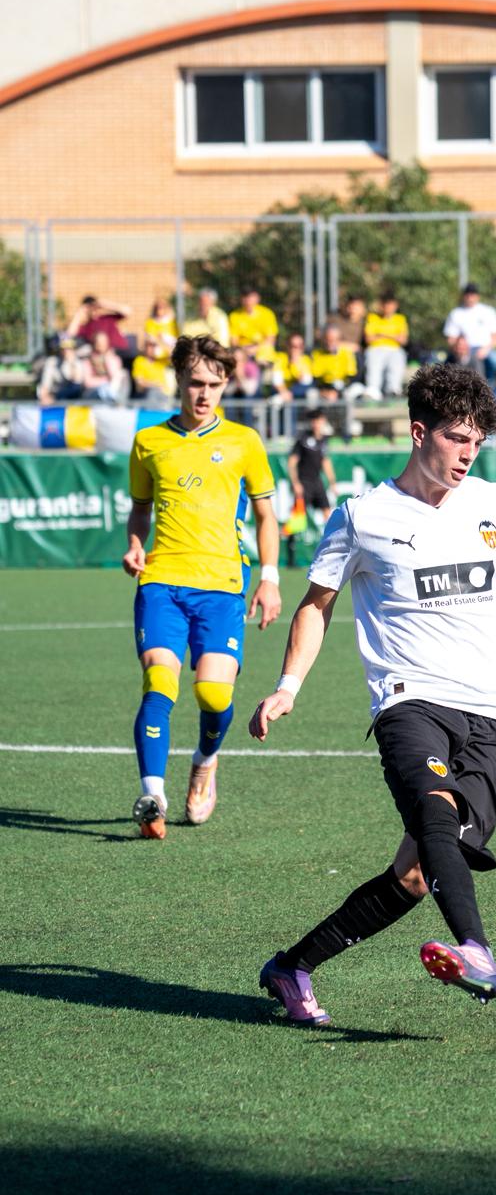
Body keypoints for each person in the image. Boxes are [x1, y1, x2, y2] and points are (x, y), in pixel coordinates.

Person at [249, 363, 496, 1024]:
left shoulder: (494, 505)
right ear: (420, 433)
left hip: (486, 715)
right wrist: (288, 686)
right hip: (407, 701)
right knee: (435, 816)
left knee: (416, 875)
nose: (469, 453)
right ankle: (477, 949)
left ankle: (291, 966)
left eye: (478, 440)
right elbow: (315, 605)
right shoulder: (363, 517)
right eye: (456, 438)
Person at [122, 334, 281, 841]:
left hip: (222, 585)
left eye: (213, 384)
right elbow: (140, 508)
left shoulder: (244, 441)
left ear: (227, 384)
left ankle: (205, 761)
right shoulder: (149, 441)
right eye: (194, 382)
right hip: (162, 581)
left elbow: (265, 513)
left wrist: (270, 578)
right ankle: (154, 795)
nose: (203, 393)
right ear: (178, 382)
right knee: (160, 684)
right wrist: (133, 543)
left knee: (213, 693)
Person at [443, 283, 496, 382]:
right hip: (464, 351)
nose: (470, 297)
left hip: (485, 350)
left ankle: (491, 387)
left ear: (478, 296)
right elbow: (451, 339)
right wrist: (461, 350)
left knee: (494, 360)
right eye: (468, 294)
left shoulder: (488, 311)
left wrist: (485, 350)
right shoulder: (456, 313)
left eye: (472, 294)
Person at [287, 409, 336, 527]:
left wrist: (332, 482)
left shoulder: (324, 440)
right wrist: (295, 483)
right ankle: (287, 540)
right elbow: (292, 462)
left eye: (319, 421)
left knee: (328, 514)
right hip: (304, 483)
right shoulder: (302, 439)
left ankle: (331, 543)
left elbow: (325, 462)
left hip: (317, 482)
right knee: (297, 519)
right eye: (314, 421)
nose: (317, 424)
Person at [363, 288, 409, 400]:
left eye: (390, 305)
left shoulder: (400, 319)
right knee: (373, 362)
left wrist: (381, 334)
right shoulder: (372, 317)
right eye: (385, 305)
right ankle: (373, 391)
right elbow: (368, 339)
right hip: (375, 349)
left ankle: (393, 390)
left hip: (394, 350)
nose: (388, 308)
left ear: (395, 306)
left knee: (398, 358)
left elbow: (403, 340)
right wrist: (393, 336)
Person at [227, 288, 279, 365]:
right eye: (245, 297)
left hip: (262, 348)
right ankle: (242, 377)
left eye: (250, 298)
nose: (248, 301)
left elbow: (271, 339)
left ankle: (263, 373)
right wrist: (244, 349)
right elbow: (234, 341)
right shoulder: (234, 316)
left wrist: (256, 349)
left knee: (265, 355)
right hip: (243, 349)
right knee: (237, 355)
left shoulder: (267, 314)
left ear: (257, 299)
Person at [67, 294, 132, 355]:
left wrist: (105, 304)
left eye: (94, 306)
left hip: (120, 351)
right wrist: (79, 314)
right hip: (101, 358)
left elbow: (127, 311)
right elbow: (69, 334)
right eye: (89, 308)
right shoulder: (86, 327)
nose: (92, 310)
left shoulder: (108, 318)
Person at [310, 323, 359, 401]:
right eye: (327, 339)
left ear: (339, 340)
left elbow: (351, 376)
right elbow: (316, 377)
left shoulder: (347, 354)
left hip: (343, 386)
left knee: (351, 392)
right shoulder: (316, 354)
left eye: (333, 340)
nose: (330, 343)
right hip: (323, 388)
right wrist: (325, 391)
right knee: (311, 394)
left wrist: (337, 391)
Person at [37, 334, 86, 404]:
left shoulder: (78, 363)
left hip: (75, 398)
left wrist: (71, 363)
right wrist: (45, 396)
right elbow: (45, 384)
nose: (66, 351)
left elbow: (76, 382)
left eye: (69, 348)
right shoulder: (52, 362)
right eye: (63, 348)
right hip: (56, 396)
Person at [81, 329, 127, 403]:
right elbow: (88, 382)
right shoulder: (87, 360)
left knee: (123, 374)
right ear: (94, 343)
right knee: (103, 391)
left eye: (103, 341)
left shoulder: (114, 359)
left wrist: (107, 360)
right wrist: (105, 381)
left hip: (112, 392)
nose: (101, 344)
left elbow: (115, 378)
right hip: (94, 393)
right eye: (98, 341)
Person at [130, 335, 176, 403]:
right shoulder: (139, 361)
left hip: (163, 394)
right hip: (147, 393)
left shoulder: (161, 361)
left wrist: (159, 341)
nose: (152, 348)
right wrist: (156, 384)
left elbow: (174, 354)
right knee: (153, 393)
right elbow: (139, 382)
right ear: (145, 347)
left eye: (154, 346)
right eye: (150, 346)